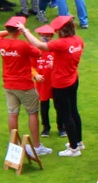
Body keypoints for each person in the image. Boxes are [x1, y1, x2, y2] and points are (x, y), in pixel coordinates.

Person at [18, 15, 84, 155]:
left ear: (62, 31)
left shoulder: (61, 43)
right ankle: (78, 141)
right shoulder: (78, 41)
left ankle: (73, 148)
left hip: (61, 84)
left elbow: (39, 45)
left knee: (66, 115)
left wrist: (25, 31)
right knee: (74, 111)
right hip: (73, 79)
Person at [0, 17, 51, 155]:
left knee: (12, 114)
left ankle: (14, 146)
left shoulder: (1, 42)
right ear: (19, 30)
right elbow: (39, 52)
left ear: (7, 29)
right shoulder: (23, 45)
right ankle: (37, 146)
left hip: (8, 85)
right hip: (24, 85)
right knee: (32, 114)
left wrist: (9, 31)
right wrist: (25, 33)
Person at [31, 23, 55, 136]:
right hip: (42, 83)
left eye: (48, 35)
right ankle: (46, 128)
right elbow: (30, 66)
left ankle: (61, 127)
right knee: (44, 106)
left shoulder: (55, 48)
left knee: (59, 106)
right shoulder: (35, 50)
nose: (45, 37)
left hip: (55, 82)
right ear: (39, 36)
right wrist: (35, 75)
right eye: (43, 35)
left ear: (52, 36)